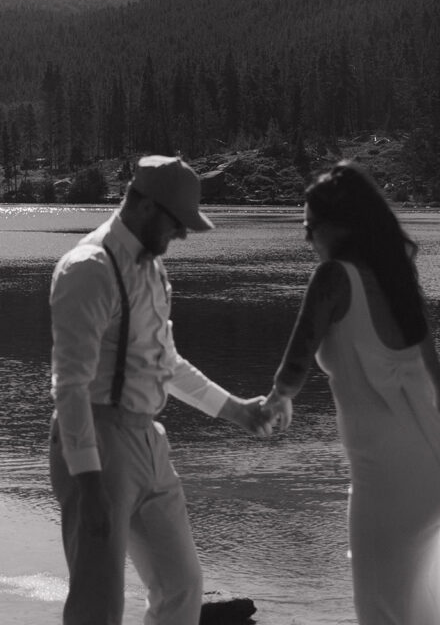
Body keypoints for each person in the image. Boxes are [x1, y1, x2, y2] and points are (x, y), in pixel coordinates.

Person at [263, 160, 440, 625]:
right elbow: (436, 381)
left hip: (386, 477)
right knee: (417, 604)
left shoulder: (332, 278)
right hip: (435, 464)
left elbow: (295, 364)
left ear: (339, 226)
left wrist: (275, 401)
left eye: (310, 227)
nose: (307, 238)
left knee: (381, 610)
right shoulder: (397, 278)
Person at [49, 154, 270, 625]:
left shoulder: (151, 269)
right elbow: (70, 385)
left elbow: (165, 361)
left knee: (182, 587)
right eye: (179, 222)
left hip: (149, 440)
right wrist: (88, 483)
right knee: (97, 605)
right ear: (146, 207)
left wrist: (237, 410)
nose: (184, 234)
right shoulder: (88, 267)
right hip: (98, 442)